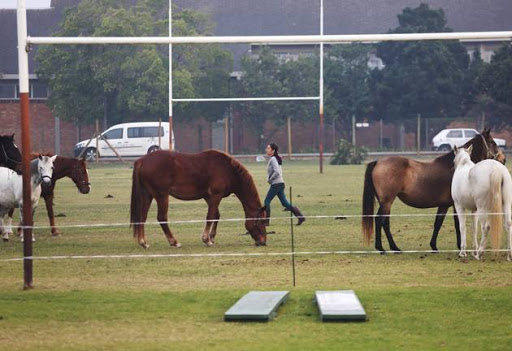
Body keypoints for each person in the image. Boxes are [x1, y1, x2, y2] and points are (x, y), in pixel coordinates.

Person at [263, 143, 305, 226]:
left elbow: (277, 172)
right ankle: (300, 217)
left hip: (276, 184)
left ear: (273, 150)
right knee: (284, 203)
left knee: (266, 201)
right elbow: (280, 171)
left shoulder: (273, 159)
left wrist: (270, 179)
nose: (266, 149)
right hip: (280, 183)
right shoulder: (275, 158)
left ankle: (266, 222)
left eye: (268, 148)